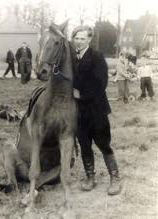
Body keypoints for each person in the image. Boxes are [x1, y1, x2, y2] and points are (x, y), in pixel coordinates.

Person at [71, 25, 121, 195]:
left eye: (82, 39)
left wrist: (80, 95)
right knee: (84, 145)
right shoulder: (72, 58)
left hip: (96, 110)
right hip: (79, 112)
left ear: (89, 40)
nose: (78, 42)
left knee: (103, 144)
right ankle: (90, 177)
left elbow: (101, 83)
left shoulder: (96, 56)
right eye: (76, 38)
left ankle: (115, 179)